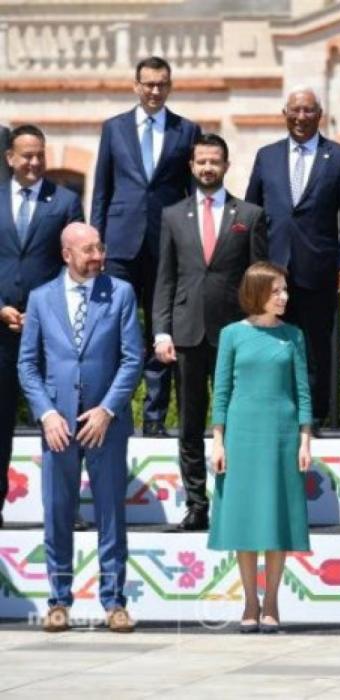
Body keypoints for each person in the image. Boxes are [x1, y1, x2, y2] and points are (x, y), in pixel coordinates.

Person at [17, 222, 142, 633]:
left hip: (105, 423)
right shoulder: (41, 298)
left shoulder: (120, 293)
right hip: (58, 425)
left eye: (99, 248)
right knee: (57, 513)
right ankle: (58, 600)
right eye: (88, 250)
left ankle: (114, 602)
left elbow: (132, 358)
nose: (97, 256)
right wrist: (47, 414)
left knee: (111, 513)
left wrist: (107, 409)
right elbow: (28, 365)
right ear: (66, 254)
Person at [152, 133, 268, 532]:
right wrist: (161, 331)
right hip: (186, 334)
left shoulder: (249, 215)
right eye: (201, 161)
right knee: (189, 423)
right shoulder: (172, 216)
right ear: (191, 165)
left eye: (214, 161)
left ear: (226, 165)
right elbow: (166, 278)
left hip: (234, 335)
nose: (207, 168)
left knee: (236, 422)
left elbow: (258, 279)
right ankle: (197, 504)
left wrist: (257, 330)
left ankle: (234, 501)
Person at [91, 55, 201, 436]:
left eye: (161, 84)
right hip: (119, 245)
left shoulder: (187, 130)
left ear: (170, 86)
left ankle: (154, 418)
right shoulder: (114, 128)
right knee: (112, 329)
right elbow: (102, 189)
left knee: (161, 331)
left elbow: (192, 194)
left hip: (166, 245)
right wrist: (96, 243)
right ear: (136, 86)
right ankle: (111, 414)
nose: (155, 91)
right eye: (149, 84)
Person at [246, 87, 340, 435]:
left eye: (308, 110)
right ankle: (275, 414)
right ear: (284, 114)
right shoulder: (266, 156)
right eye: (294, 110)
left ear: (319, 115)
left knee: (314, 349)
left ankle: (313, 419)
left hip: (319, 270)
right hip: (272, 272)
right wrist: (254, 266)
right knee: (270, 346)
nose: (301, 117)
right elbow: (252, 214)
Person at [208, 261, 312, 633]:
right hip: (242, 435)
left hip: (282, 435)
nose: (284, 297)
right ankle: (250, 601)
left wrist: (304, 439)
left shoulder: (293, 335)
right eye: (276, 290)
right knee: (246, 519)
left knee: (277, 518)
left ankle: (272, 602)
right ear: (256, 293)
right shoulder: (232, 334)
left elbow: (302, 391)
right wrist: (218, 441)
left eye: (285, 290)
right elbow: (221, 391)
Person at [0, 125, 84, 530]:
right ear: (10, 158)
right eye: (26, 155)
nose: (34, 162)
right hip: (1, 332)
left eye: (40, 155)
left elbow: (77, 265)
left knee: (59, 421)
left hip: (50, 332)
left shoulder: (65, 201)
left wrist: (39, 310)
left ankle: (65, 508)